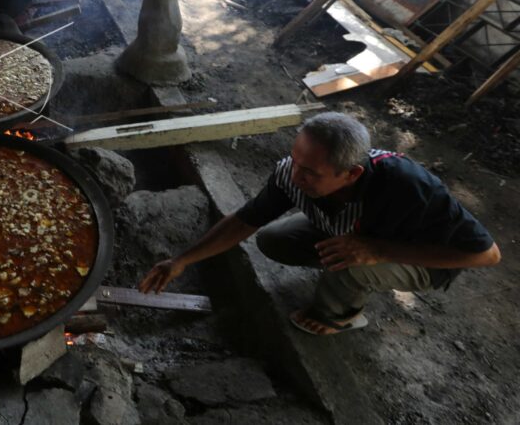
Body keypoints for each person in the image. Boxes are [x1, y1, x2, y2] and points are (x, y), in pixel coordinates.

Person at [140, 112, 501, 336]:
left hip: (423, 257)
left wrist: (377, 251)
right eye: (295, 160)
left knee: (349, 267)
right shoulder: (293, 173)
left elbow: (487, 255)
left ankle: (344, 314)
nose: (296, 175)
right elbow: (246, 220)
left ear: (352, 174)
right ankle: (349, 266)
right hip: (355, 232)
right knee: (272, 240)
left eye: (310, 171)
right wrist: (183, 260)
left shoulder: (409, 187)